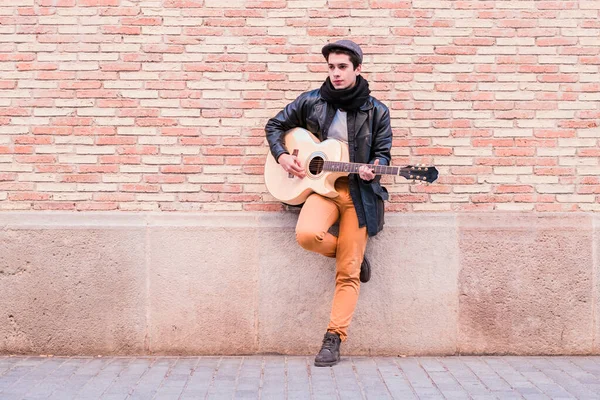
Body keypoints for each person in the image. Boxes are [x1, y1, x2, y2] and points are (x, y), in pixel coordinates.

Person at [264, 39, 392, 367]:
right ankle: (351, 255)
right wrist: (282, 157)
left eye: (342, 67)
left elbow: (382, 152)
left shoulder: (377, 111)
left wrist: (375, 168)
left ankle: (333, 338)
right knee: (307, 235)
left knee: (347, 274)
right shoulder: (311, 101)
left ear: (357, 69)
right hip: (322, 189)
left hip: (358, 195)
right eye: (331, 67)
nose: (335, 73)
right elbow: (275, 125)